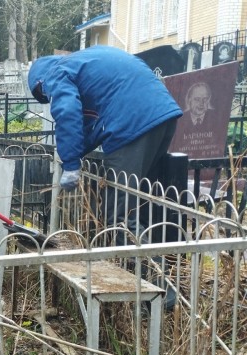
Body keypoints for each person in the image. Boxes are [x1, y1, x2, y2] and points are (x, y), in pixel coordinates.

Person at [28, 45, 182, 311]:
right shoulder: (83, 62)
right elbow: (92, 123)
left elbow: (67, 111)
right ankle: (149, 284)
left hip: (133, 122)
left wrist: (72, 164)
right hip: (161, 114)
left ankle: (155, 292)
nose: (47, 98)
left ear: (40, 82)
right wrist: (71, 154)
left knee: (119, 215)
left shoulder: (54, 72)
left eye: (43, 95)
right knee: (140, 203)